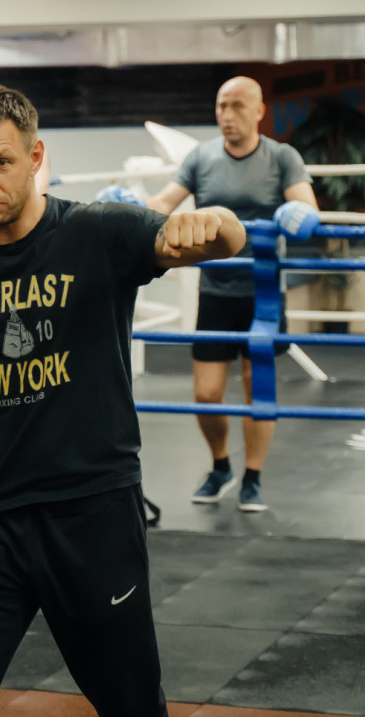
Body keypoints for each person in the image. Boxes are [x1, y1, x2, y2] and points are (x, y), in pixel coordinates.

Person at [0, 86, 245, 717]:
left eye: (1, 162)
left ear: (34, 158)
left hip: (91, 513)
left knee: (132, 707)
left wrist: (213, 220)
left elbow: (226, 238)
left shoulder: (97, 230)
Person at [146, 75, 318, 513]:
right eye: (222, 105)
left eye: (237, 105)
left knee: (256, 391)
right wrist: (123, 209)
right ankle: (221, 466)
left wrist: (298, 213)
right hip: (216, 290)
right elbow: (164, 203)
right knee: (206, 394)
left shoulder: (282, 157)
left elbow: (307, 207)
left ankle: (253, 478)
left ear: (259, 111)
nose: (227, 114)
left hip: (262, 293)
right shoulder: (201, 157)